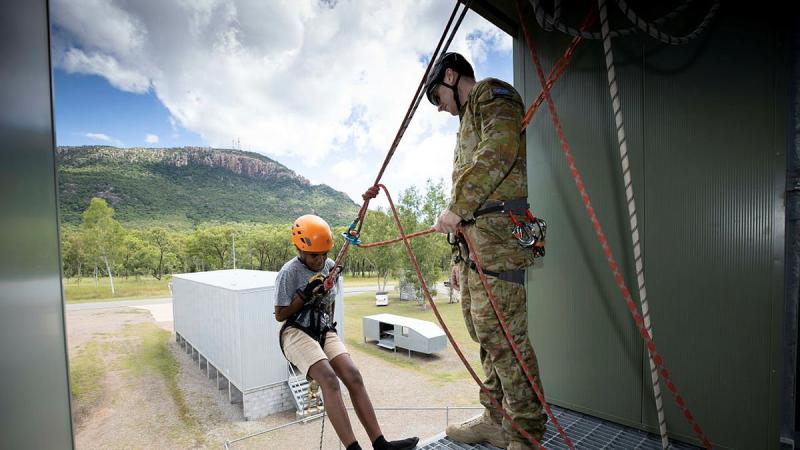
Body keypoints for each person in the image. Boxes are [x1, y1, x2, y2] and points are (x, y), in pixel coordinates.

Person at [426, 52, 546, 450]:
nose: (439, 107)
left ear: (449, 75)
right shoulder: (465, 122)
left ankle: (526, 433)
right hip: (476, 249)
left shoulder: (493, 96)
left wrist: (457, 208)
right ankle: (496, 420)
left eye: (435, 96)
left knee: (508, 339)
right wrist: (459, 256)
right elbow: (469, 187)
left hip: (498, 246)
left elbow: (499, 150)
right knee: (485, 335)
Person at [274, 214, 419, 450]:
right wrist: (305, 294)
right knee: (329, 380)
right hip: (295, 330)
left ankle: (380, 444)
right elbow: (280, 314)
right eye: (314, 255)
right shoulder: (288, 273)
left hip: (321, 327)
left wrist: (328, 330)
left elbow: (329, 302)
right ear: (300, 249)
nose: (319, 260)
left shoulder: (331, 267)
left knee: (352, 375)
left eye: (324, 254)